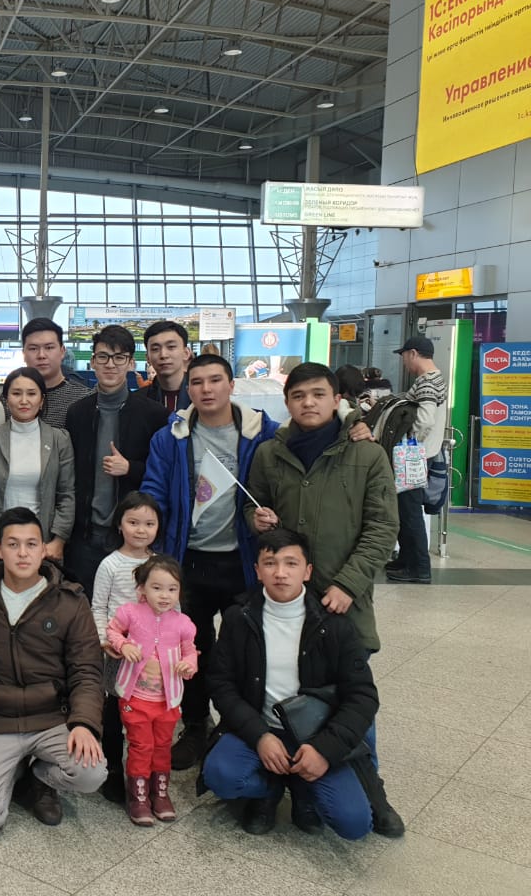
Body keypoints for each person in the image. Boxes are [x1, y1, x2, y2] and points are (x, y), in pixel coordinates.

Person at [246, 361, 404, 837]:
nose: (308, 403)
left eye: (318, 394)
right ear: (287, 402)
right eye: (298, 396)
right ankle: (290, 786)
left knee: (350, 694)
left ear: (337, 399)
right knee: (283, 690)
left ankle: (372, 792)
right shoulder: (271, 454)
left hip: (341, 600)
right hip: (286, 600)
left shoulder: (366, 454)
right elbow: (255, 508)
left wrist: (348, 584)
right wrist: (258, 522)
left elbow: (383, 527)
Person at [141, 353, 278, 771]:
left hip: (243, 561)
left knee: (244, 650)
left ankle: (242, 728)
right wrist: (157, 550)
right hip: (189, 562)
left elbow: (308, 442)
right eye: (197, 382)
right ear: (189, 389)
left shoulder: (263, 433)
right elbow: (155, 491)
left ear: (231, 385)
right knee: (192, 648)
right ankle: (197, 724)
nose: (206, 389)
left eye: (215, 380)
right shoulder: (171, 438)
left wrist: (352, 421)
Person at [201, 529, 380, 841]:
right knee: (221, 777)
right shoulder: (239, 618)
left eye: (291, 563)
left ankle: (302, 786)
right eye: (270, 563)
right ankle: (268, 789)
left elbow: (363, 696)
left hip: (316, 734)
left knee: (354, 824)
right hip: (260, 728)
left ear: (307, 571)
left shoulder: (334, 624)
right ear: (257, 571)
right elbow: (221, 684)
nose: (280, 573)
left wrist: (324, 750)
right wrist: (259, 736)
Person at [0, 507, 106, 837]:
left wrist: (84, 724)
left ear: (44, 550)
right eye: (13, 544)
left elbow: (86, 671)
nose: (22, 553)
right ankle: (13, 772)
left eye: (31, 544)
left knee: (91, 773)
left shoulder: (70, 601)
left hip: (52, 717)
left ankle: (38, 777)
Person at [64, 325, 169, 598]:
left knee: (132, 612)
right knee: (85, 612)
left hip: (132, 539)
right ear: (93, 362)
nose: (110, 365)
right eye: (103, 357)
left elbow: (165, 473)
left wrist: (130, 468)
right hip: (85, 537)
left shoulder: (153, 415)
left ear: (131, 363)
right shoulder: (77, 413)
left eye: (119, 357)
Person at [105, 555, 197, 826]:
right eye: (157, 588)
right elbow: (112, 631)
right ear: (142, 588)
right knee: (141, 745)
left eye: (172, 589)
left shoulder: (183, 623)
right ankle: (138, 795)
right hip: (135, 698)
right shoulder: (130, 613)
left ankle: (160, 793)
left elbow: (191, 652)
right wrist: (123, 645)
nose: (165, 595)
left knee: (163, 746)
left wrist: (189, 665)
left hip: (167, 701)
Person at [90, 490, 162, 804]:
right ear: (119, 525)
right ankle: (112, 770)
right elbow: (98, 607)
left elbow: (172, 607)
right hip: (117, 652)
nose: (141, 530)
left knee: (145, 714)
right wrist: (104, 640)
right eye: (133, 522)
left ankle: (142, 770)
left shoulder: (160, 564)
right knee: (114, 713)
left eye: (149, 523)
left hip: (151, 657)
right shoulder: (110, 564)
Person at [0, 367, 73, 564]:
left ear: (42, 400)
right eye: (16, 394)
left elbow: (66, 494)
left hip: (44, 544)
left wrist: (59, 540)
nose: (24, 401)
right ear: (6, 400)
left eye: (31, 394)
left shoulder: (59, 440)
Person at [387, 336, 447, 584]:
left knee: (409, 512)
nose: (403, 361)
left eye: (404, 356)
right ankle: (406, 560)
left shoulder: (427, 382)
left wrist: (408, 441)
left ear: (413, 353)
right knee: (404, 511)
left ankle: (419, 568)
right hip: (422, 455)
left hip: (415, 457)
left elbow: (425, 419)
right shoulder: (433, 378)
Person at [20, 317, 91, 429]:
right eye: (33, 349)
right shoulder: (10, 400)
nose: (41, 355)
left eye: (49, 347)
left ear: (62, 352)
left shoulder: (84, 398)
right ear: (24, 354)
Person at [142, 320, 192, 413]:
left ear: (186, 353)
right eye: (155, 349)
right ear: (148, 358)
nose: (163, 355)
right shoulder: (138, 402)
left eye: (171, 347)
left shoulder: (202, 397)